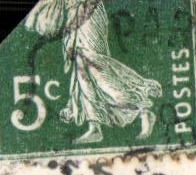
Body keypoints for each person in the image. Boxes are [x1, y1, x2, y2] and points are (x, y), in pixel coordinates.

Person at [25, 0, 161, 144]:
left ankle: (141, 110)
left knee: (95, 68)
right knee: (82, 70)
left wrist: (36, 13)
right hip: (74, 14)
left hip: (88, 12)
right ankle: (94, 126)